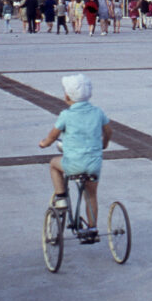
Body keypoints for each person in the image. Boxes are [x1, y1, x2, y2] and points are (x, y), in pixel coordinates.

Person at [38, 74, 112, 244]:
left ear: (67, 96)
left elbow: (52, 136)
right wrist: (104, 143)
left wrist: (44, 143)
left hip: (73, 164)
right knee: (91, 195)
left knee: (54, 164)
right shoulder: (98, 112)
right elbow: (109, 132)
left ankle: (61, 197)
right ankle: (92, 229)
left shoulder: (66, 115)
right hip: (93, 164)